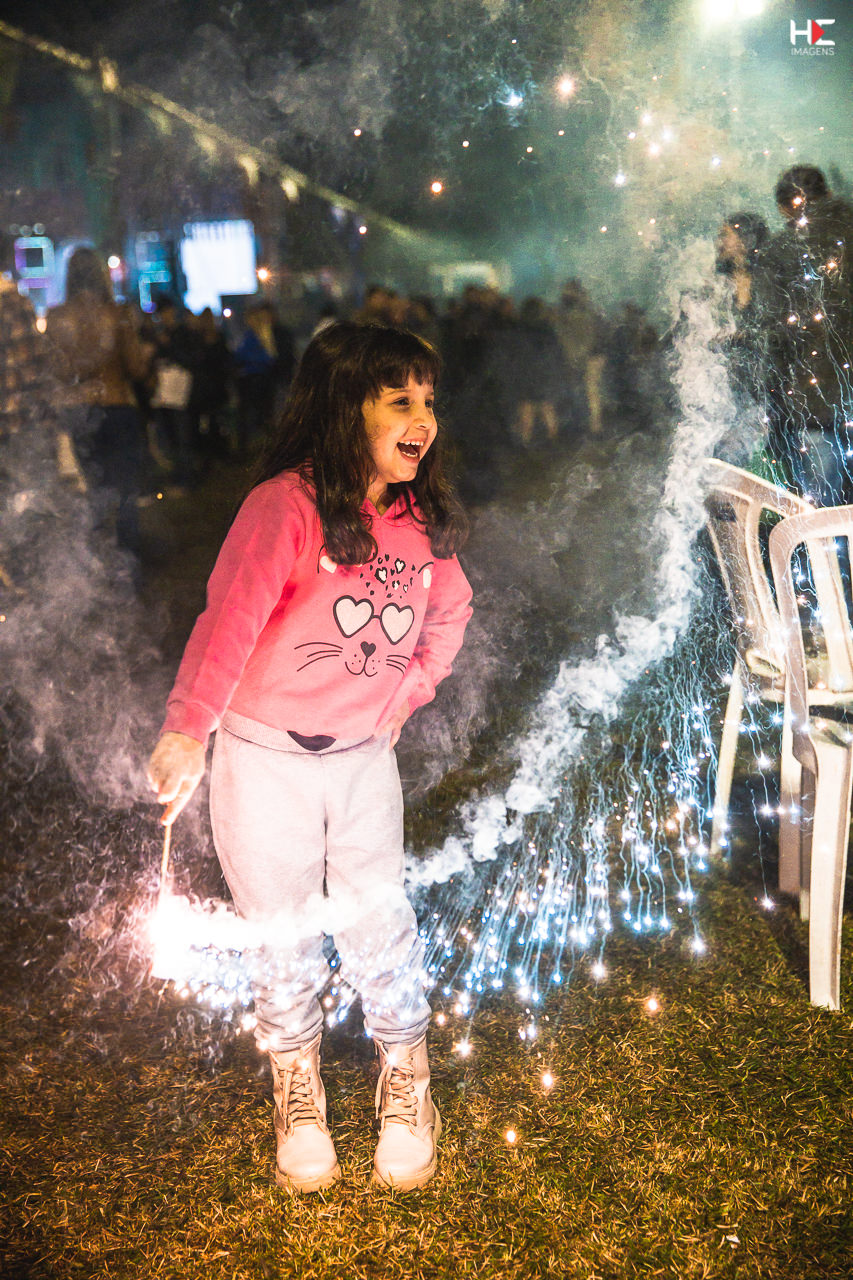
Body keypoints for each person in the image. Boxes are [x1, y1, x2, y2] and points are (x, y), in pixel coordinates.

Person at [146, 322, 472, 1193]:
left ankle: (406, 1077)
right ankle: (297, 1085)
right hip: (262, 761)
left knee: (378, 919)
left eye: (428, 400)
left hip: (362, 761)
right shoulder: (283, 507)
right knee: (280, 927)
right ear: (342, 407)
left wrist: (406, 694)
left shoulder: (417, 519)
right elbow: (230, 620)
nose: (422, 418)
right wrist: (189, 727)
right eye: (398, 399)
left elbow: (448, 613)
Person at [46, 247, 152, 554]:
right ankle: (127, 557)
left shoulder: (57, 317)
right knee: (125, 488)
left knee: (95, 488)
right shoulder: (118, 314)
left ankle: (98, 558)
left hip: (79, 410)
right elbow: (135, 368)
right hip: (117, 406)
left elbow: (56, 372)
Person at [758, 165, 853, 503]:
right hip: (838, 390)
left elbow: (776, 328)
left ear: (784, 207)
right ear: (828, 193)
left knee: (824, 510)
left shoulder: (780, 251)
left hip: (816, 398)